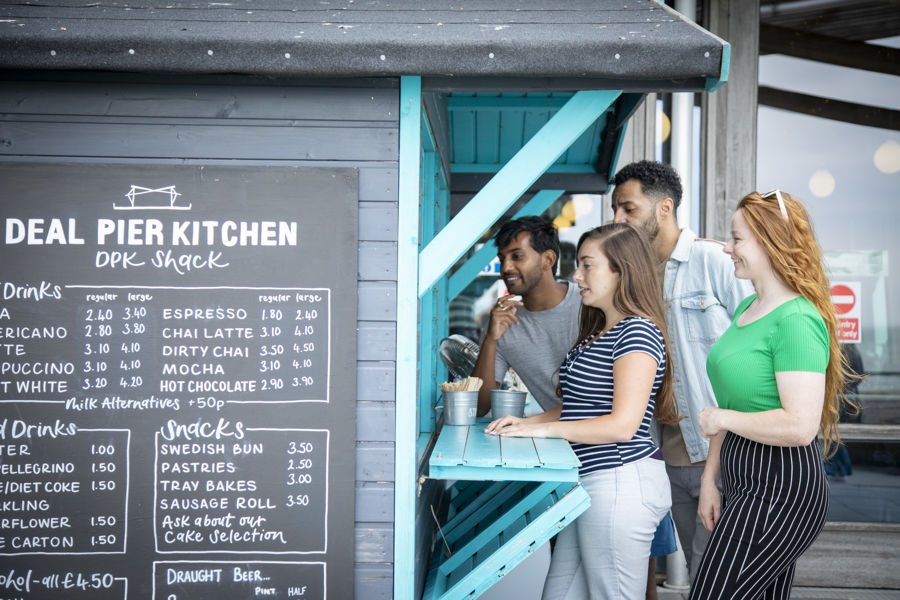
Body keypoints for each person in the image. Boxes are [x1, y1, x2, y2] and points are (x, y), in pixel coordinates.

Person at [486, 223, 679, 600]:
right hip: (590, 483)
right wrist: (525, 422)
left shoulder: (637, 332)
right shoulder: (600, 332)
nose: (576, 276)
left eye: (588, 265)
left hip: (621, 481)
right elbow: (575, 409)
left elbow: (623, 425)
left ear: (621, 271)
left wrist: (537, 432)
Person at [689, 190, 858, 600]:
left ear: (770, 240)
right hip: (743, 480)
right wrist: (711, 481)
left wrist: (721, 420)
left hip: (780, 486)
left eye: (737, 238)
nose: (727, 248)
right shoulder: (749, 306)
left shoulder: (797, 318)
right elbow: (732, 403)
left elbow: (800, 426)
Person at [611, 160, 753, 580]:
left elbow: (760, 344)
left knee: (721, 576)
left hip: (724, 453)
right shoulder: (630, 280)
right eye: (615, 210)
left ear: (664, 208)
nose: (618, 220)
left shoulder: (714, 261)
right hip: (666, 456)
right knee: (699, 571)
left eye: (628, 209)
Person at [470, 216, 582, 417]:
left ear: (548, 260)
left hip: (619, 442)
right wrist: (490, 340)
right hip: (562, 442)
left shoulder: (588, 304)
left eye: (517, 256)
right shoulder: (502, 323)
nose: (506, 268)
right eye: (502, 258)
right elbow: (479, 407)